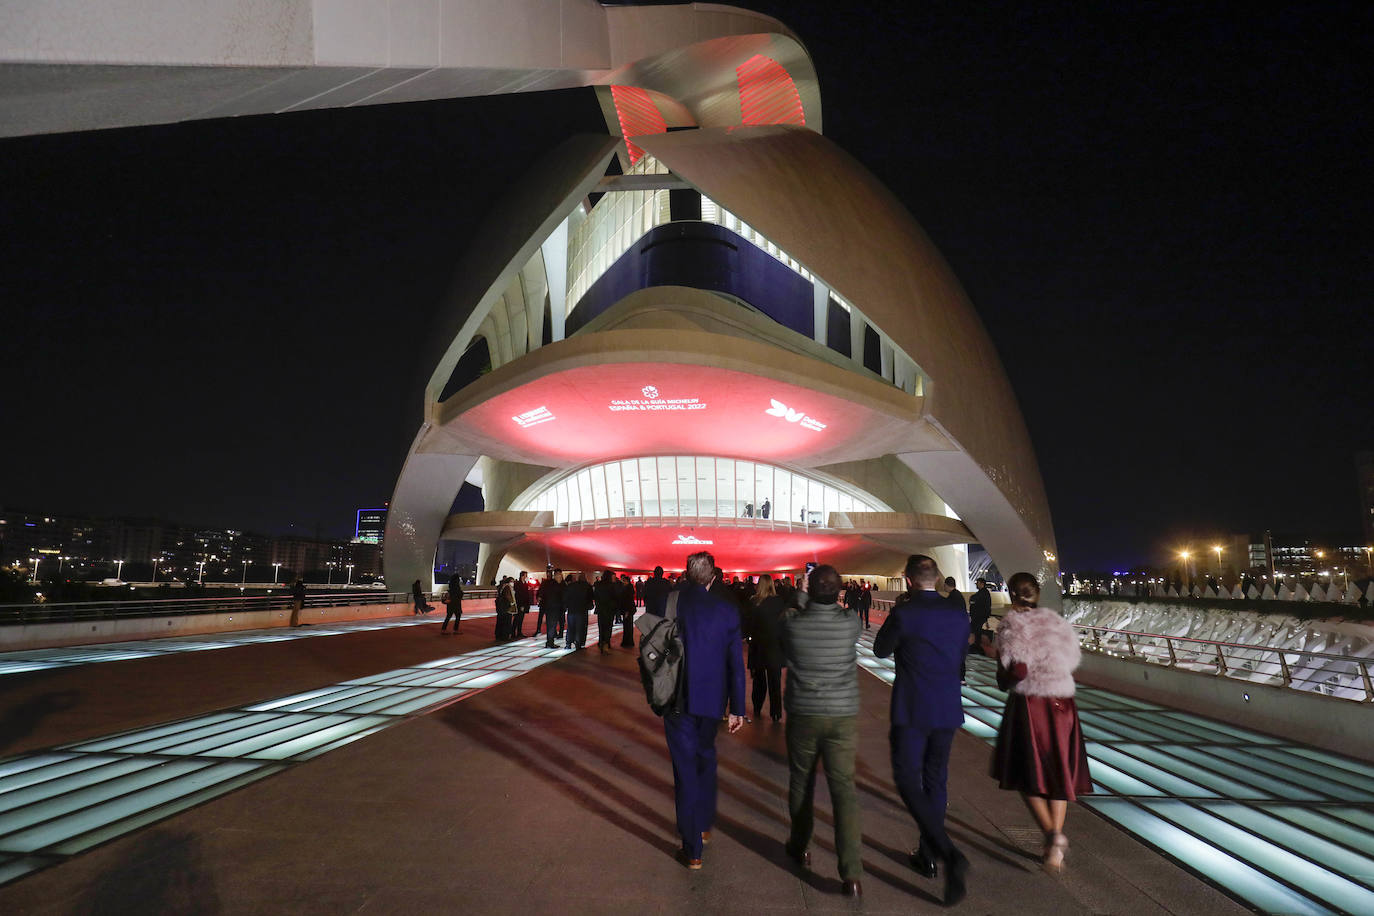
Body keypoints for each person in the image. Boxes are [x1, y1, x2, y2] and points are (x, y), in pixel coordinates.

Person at [872, 554, 970, 906]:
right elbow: (960, 656)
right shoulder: (959, 614)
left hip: (913, 708)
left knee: (906, 778)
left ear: (909, 580)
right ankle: (927, 853)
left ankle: (945, 852)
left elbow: (880, 650)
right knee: (936, 779)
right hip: (947, 707)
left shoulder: (906, 612)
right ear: (937, 578)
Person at [990, 572, 1092, 874]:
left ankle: (1053, 835)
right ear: (1036, 594)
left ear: (1011, 594)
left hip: (1031, 704)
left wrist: (1001, 674)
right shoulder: (1057, 622)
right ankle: (1053, 847)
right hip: (1064, 704)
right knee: (1059, 772)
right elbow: (1072, 659)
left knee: (1026, 773)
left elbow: (1018, 670)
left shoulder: (1012, 624)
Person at [779, 564, 863, 897]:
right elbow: (841, 614)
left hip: (804, 713)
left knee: (801, 780)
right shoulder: (851, 624)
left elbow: (791, 616)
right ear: (839, 592)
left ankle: (800, 845)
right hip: (842, 715)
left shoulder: (792, 623)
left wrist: (802, 593)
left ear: (810, 590)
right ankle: (852, 873)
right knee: (844, 789)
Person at [662, 550, 747, 869]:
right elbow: (736, 665)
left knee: (684, 769)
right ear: (712, 577)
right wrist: (737, 707)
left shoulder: (672, 603)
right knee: (706, 758)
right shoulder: (727, 610)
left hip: (676, 700)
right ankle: (704, 826)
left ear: (686, 574)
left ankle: (692, 848)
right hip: (712, 700)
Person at [748, 575, 786, 723]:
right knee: (775, 682)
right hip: (775, 647)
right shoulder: (779, 602)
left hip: (759, 646)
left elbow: (751, 625)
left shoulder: (755, 602)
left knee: (759, 681)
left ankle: (757, 707)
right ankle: (776, 713)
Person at [564, 572, 592, 650]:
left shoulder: (571, 586)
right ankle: (579, 643)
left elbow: (566, 597)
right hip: (582, 610)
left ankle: (568, 643)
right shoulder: (587, 586)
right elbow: (590, 598)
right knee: (580, 628)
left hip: (571, 610)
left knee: (571, 627)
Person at [593, 570, 618, 654]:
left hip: (600, 609)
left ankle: (601, 642)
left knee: (601, 627)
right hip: (609, 609)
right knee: (608, 627)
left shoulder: (598, 584)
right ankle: (606, 644)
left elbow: (595, 596)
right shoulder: (612, 586)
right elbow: (615, 597)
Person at [538, 570, 564, 648]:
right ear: (556, 576)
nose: (561, 578)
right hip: (554, 608)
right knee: (552, 626)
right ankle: (550, 642)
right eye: (559, 576)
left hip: (549, 608)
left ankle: (549, 641)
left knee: (550, 626)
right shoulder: (557, 585)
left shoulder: (549, 584)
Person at [495, 576, 517, 641]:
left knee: (501, 622)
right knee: (507, 622)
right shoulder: (508, 587)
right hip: (507, 607)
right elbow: (508, 597)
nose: (513, 583)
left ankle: (499, 635)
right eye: (512, 581)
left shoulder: (502, 586)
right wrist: (512, 603)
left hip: (502, 607)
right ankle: (505, 636)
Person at [618, 573, 637, 647]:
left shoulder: (627, 589)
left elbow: (627, 601)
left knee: (627, 626)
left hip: (627, 610)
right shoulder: (629, 588)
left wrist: (626, 611)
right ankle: (629, 641)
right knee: (628, 626)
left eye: (624, 581)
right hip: (629, 610)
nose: (623, 582)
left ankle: (627, 642)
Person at [513, 571, 532, 637]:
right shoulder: (518, 584)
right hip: (520, 604)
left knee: (521, 619)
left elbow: (526, 595)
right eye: (525, 575)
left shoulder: (525, 584)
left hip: (524, 604)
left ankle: (519, 632)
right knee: (517, 618)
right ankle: (513, 632)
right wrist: (521, 605)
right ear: (522, 576)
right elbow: (519, 595)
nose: (526, 577)